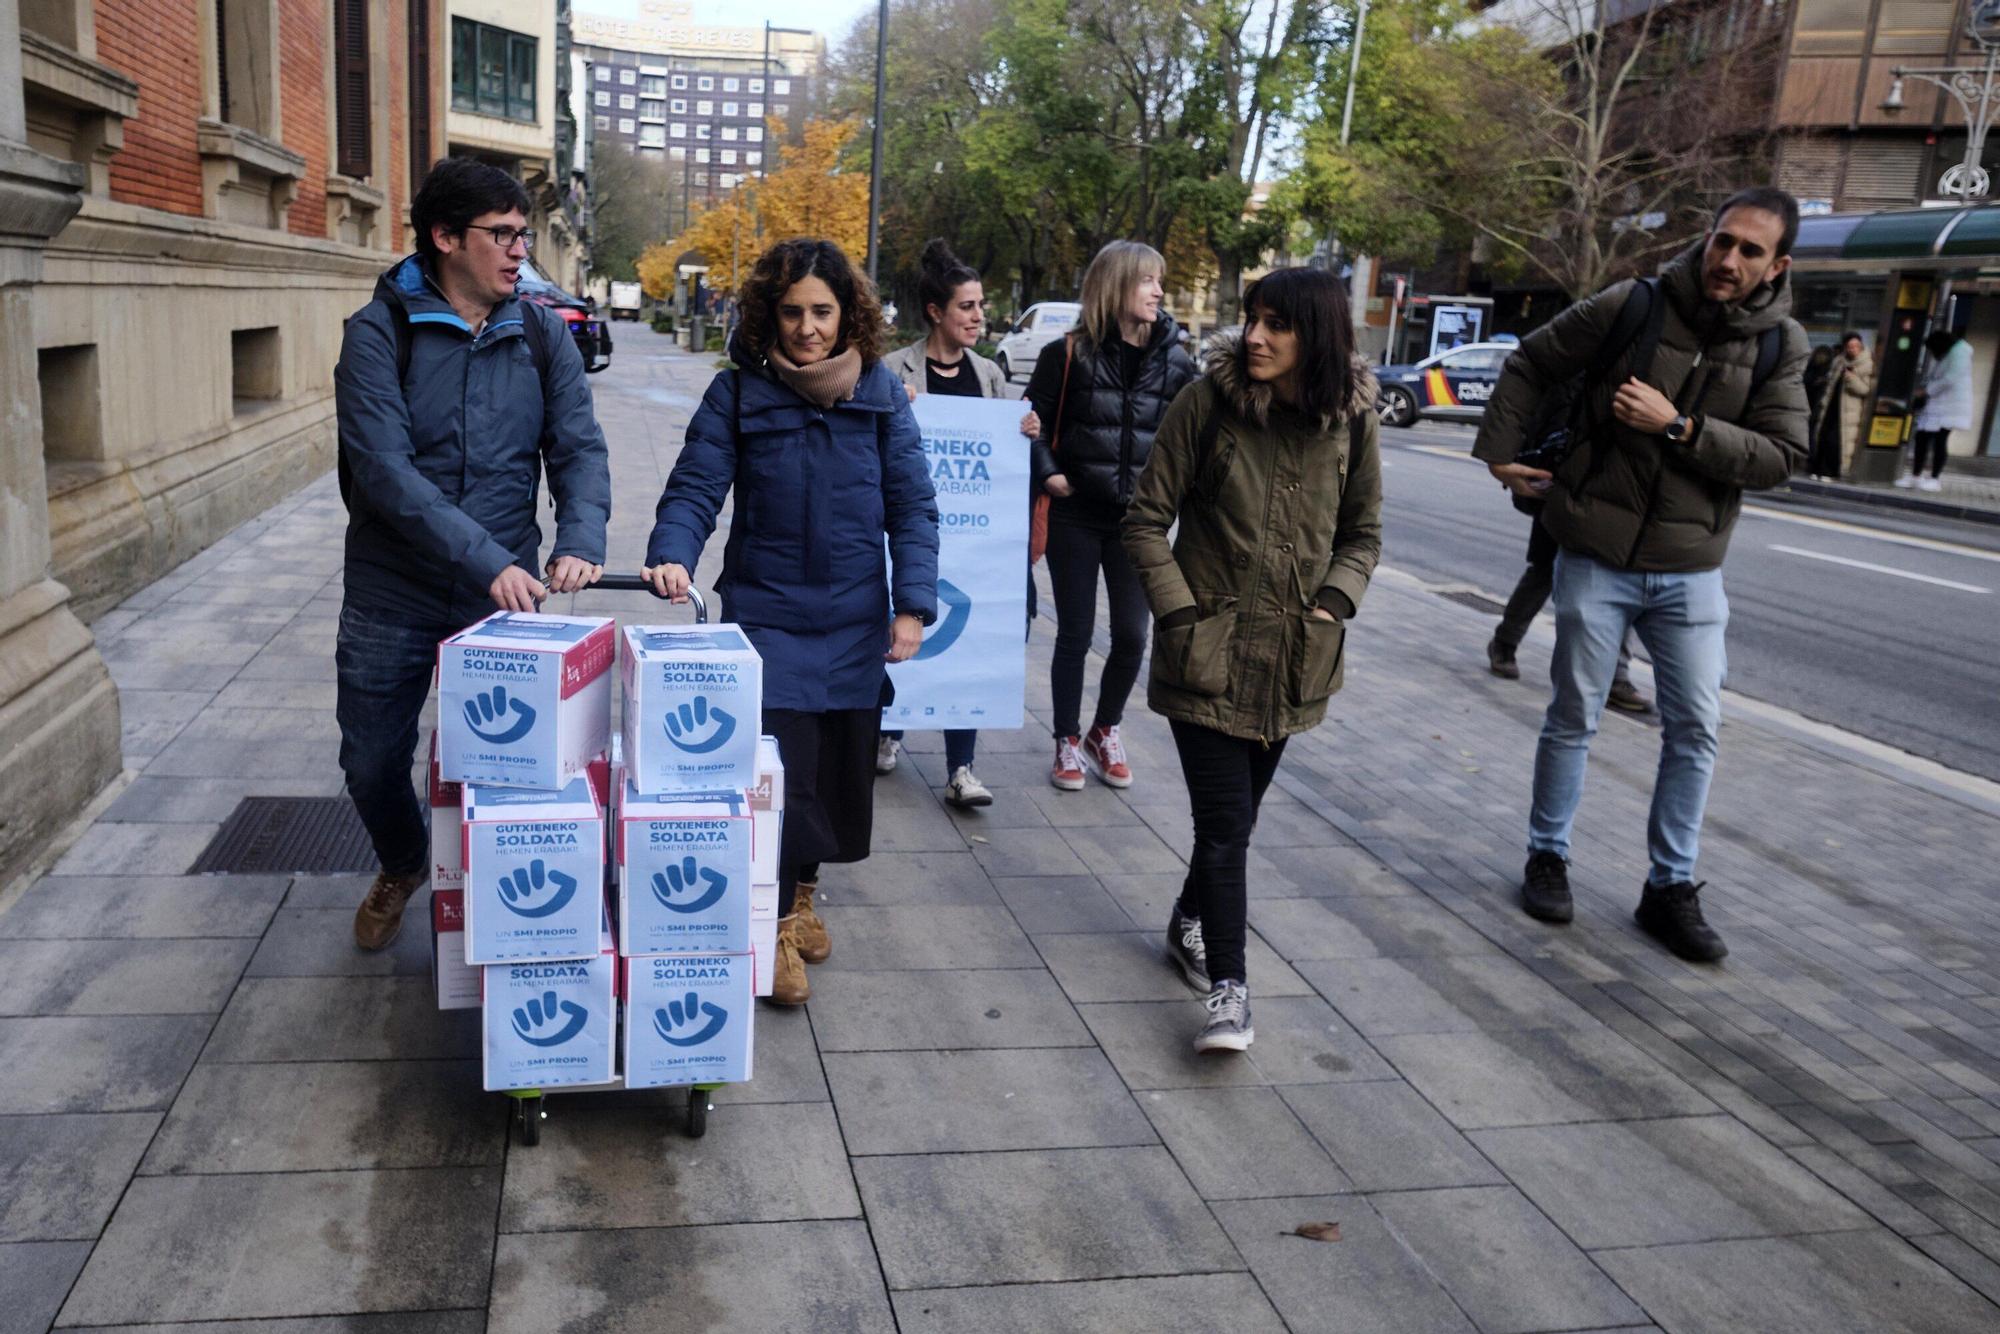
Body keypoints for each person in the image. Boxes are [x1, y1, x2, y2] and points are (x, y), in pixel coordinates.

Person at [1473, 185, 1809, 964]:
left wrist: (1681, 426)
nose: (1728, 260)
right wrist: (1497, 455)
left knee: (1695, 726)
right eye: (1723, 241)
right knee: (1573, 714)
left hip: (1691, 570)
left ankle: (1670, 888)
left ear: (1776, 264)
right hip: (1595, 552)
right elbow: (1529, 361)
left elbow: (1781, 458)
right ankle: (1547, 857)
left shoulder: (1779, 345)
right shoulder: (1637, 304)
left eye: (1749, 251)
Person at [644, 238, 939, 1005]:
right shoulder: (738, 396)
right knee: (777, 779)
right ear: (767, 315)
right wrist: (672, 551)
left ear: (848, 317)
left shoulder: (880, 397)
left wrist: (912, 606)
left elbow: (913, 507)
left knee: (838, 775)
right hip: (766, 621)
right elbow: (695, 486)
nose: (806, 328)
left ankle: (804, 895)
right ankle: (773, 922)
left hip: (853, 628)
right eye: (791, 312)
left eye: (821, 312)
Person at [335, 158, 610, 951]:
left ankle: (505, 912)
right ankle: (403, 861)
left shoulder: (539, 333)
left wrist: (582, 537)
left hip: (502, 595)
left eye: (524, 233)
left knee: (510, 768)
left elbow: (579, 449)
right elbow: (384, 474)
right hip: (395, 591)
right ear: (445, 236)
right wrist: (485, 555)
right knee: (371, 761)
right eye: (503, 234)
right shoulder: (376, 335)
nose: (520, 250)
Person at [1124, 267, 1382, 1053]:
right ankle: (1231, 994)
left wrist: (1333, 603)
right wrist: (1181, 613)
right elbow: (1144, 522)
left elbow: (1362, 533)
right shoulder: (1207, 405)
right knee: (1227, 824)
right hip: (1205, 654)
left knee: (1235, 824)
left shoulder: (1352, 422)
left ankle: (1188, 920)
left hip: (1293, 662)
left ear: (1321, 337)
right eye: (1251, 320)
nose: (1257, 337)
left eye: (1278, 324)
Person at [1027, 241, 1198, 792]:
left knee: (1131, 635)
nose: (1158, 291)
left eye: (1160, 282)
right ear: (1117, 284)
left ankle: (1105, 729)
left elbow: (1190, 438)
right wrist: (1049, 472)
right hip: (1076, 514)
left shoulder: (1176, 360)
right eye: (1148, 280)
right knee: (1074, 633)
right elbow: (1031, 421)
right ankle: (1066, 741)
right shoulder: (1068, 353)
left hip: (1139, 523)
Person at [878, 239, 1041, 808]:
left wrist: (1025, 430)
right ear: (936, 313)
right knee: (905, 623)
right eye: (967, 307)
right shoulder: (893, 369)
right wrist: (891, 404)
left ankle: (961, 768)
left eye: (980, 306)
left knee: (967, 643)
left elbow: (1003, 447)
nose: (978, 317)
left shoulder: (990, 374)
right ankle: (888, 728)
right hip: (913, 527)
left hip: (973, 537)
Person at [1488, 518, 1652, 715]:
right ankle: (1505, 642)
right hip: (1568, 505)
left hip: (1621, 516)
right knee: (1545, 570)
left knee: (1621, 580)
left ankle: (1616, 676)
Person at [1901, 328, 1970, 492]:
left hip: (1950, 406)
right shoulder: (1951, 354)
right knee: (1923, 438)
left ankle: (1934, 478)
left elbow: (1950, 379)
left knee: (1939, 441)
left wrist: (1927, 391)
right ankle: (1916, 476)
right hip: (1938, 405)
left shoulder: (1959, 354)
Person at [1810, 332, 1872, 481]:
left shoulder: (1866, 363)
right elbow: (1831, 382)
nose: (1853, 349)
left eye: (1856, 346)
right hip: (1832, 405)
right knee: (1822, 436)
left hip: (1848, 410)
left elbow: (1865, 389)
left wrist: (1852, 380)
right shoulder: (1839, 361)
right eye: (1850, 346)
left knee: (1837, 440)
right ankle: (1817, 468)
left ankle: (1831, 471)